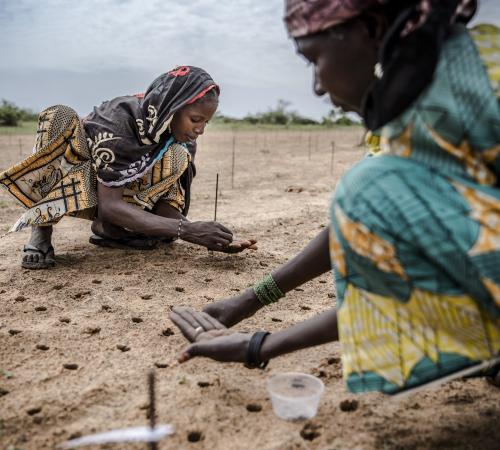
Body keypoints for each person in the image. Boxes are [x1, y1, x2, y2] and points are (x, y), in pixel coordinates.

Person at [169, 0, 500, 394]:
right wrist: (251, 300)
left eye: (313, 59)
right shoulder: (430, 93)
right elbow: (365, 221)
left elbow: (405, 283)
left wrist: (260, 345)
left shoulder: (473, 98)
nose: (318, 85)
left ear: (373, 28)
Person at [0, 66, 256, 269]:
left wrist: (212, 237)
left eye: (206, 122)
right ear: (172, 109)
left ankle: (109, 230)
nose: (200, 129)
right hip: (79, 177)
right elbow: (111, 204)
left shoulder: (178, 140)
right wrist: (188, 231)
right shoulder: (120, 123)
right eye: (196, 120)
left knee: (179, 155)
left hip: (113, 193)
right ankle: (41, 232)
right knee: (59, 117)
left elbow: (166, 206)